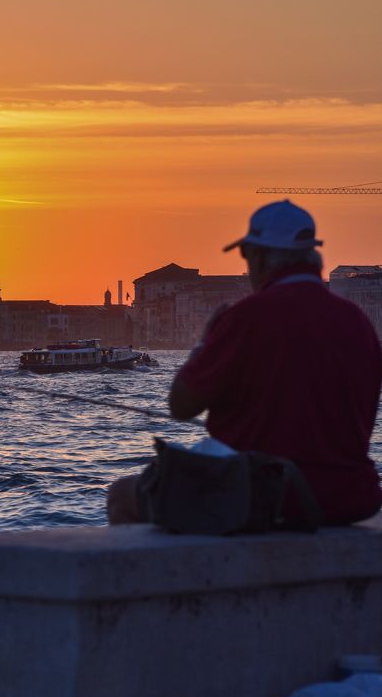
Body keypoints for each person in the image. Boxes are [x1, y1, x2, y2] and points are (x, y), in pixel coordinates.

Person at [108, 200, 382, 527]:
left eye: (246, 257)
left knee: (122, 495)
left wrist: (205, 343)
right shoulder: (357, 321)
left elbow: (182, 404)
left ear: (261, 257)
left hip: (268, 498)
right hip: (352, 499)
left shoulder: (247, 317)